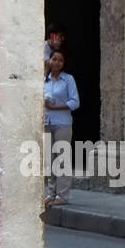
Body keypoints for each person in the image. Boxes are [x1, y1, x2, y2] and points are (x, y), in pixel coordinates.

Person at [42, 49, 79, 206]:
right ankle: (51, 193)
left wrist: (55, 107)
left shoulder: (68, 80)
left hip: (62, 123)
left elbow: (75, 102)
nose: (56, 62)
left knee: (61, 159)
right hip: (47, 122)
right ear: (49, 61)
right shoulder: (44, 80)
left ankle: (62, 196)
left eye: (60, 60)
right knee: (50, 160)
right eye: (54, 59)